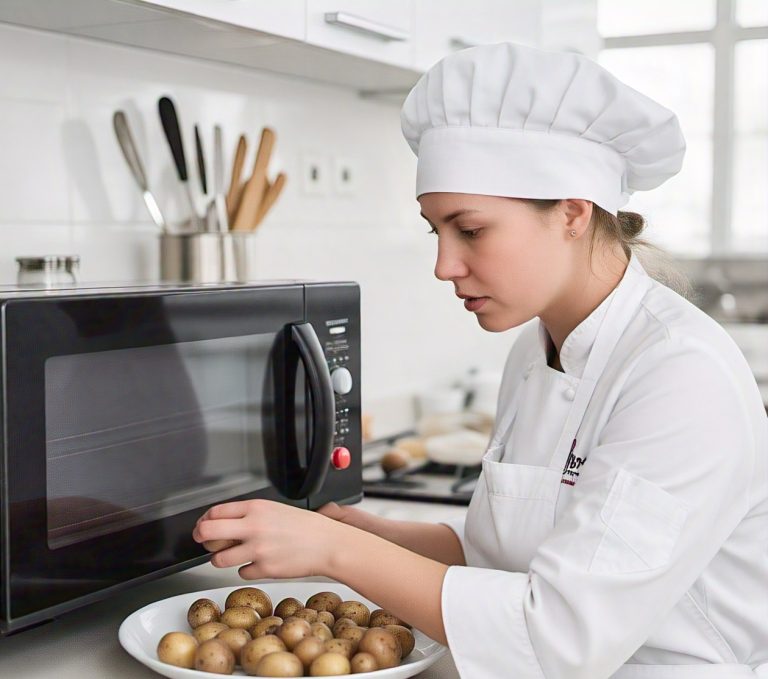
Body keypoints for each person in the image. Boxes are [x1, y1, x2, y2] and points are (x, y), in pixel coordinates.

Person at [193, 43, 768, 678]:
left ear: (574, 212)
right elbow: (497, 558)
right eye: (434, 231)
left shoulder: (681, 375)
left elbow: (557, 636)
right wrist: (359, 530)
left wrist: (334, 550)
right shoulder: (535, 347)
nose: (444, 265)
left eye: (470, 230)